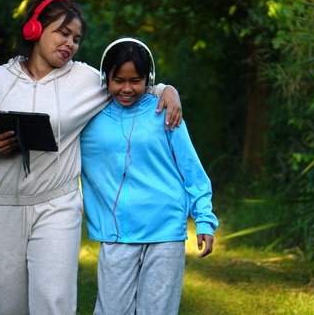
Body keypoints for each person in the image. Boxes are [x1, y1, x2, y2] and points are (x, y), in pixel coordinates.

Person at [0, 0, 182, 315]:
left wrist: (168, 91)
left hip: (57, 205)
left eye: (76, 38)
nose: (70, 44)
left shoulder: (86, 80)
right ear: (34, 29)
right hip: (0, 208)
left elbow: (128, 85)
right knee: (5, 303)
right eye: (63, 32)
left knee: (53, 301)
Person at [80, 37, 219, 315]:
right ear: (105, 77)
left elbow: (191, 168)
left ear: (149, 79)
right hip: (115, 233)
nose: (128, 89)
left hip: (165, 230)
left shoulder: (166, 112)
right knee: (111, 310)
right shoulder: (88, 119)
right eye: (119, 80)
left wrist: (204, 219)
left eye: (136, 81)